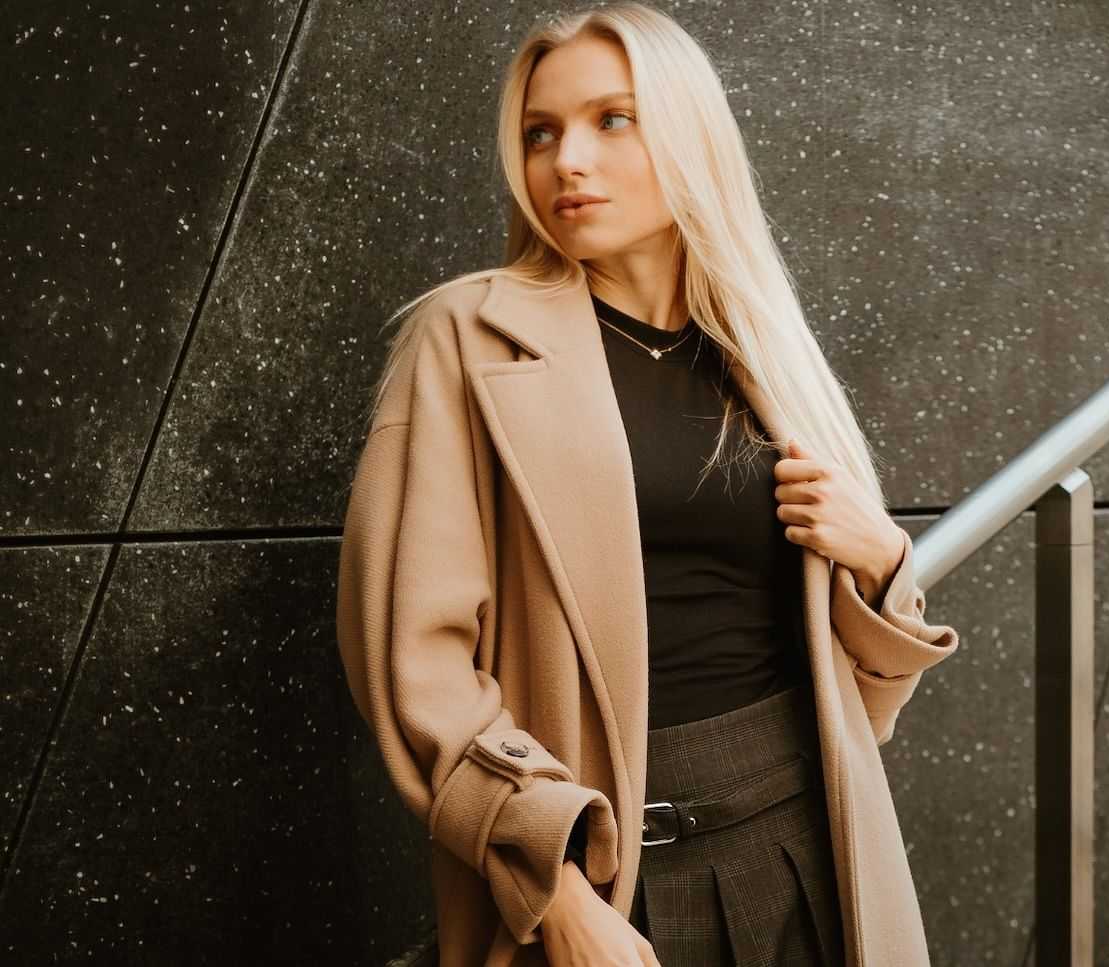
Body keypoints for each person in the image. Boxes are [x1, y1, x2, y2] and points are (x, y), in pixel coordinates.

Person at [335, 3, 962, 966]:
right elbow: (412, 661)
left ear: (688, 130)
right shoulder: (471, 338)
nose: (565, 161)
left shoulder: (764, 352)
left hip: (813, 850)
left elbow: (863, 705)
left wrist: (882, 562)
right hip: (602, 866)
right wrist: (559, 892)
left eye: (611, 119)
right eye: (540, 133)